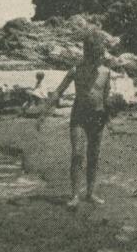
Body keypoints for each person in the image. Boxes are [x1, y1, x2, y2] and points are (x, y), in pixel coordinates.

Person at [45, 32, 113, 207]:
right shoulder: (76, 70)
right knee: (77, 154)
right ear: (88, 54)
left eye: (101, 56)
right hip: (79, 116)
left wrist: (109, 119)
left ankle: (90, 193)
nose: (100, 60)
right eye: (97, 56)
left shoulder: (106, 72)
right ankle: (75, 195)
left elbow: (105, 98)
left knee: (94, 155)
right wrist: (43, 115)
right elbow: (58, 91)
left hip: (98, 117)